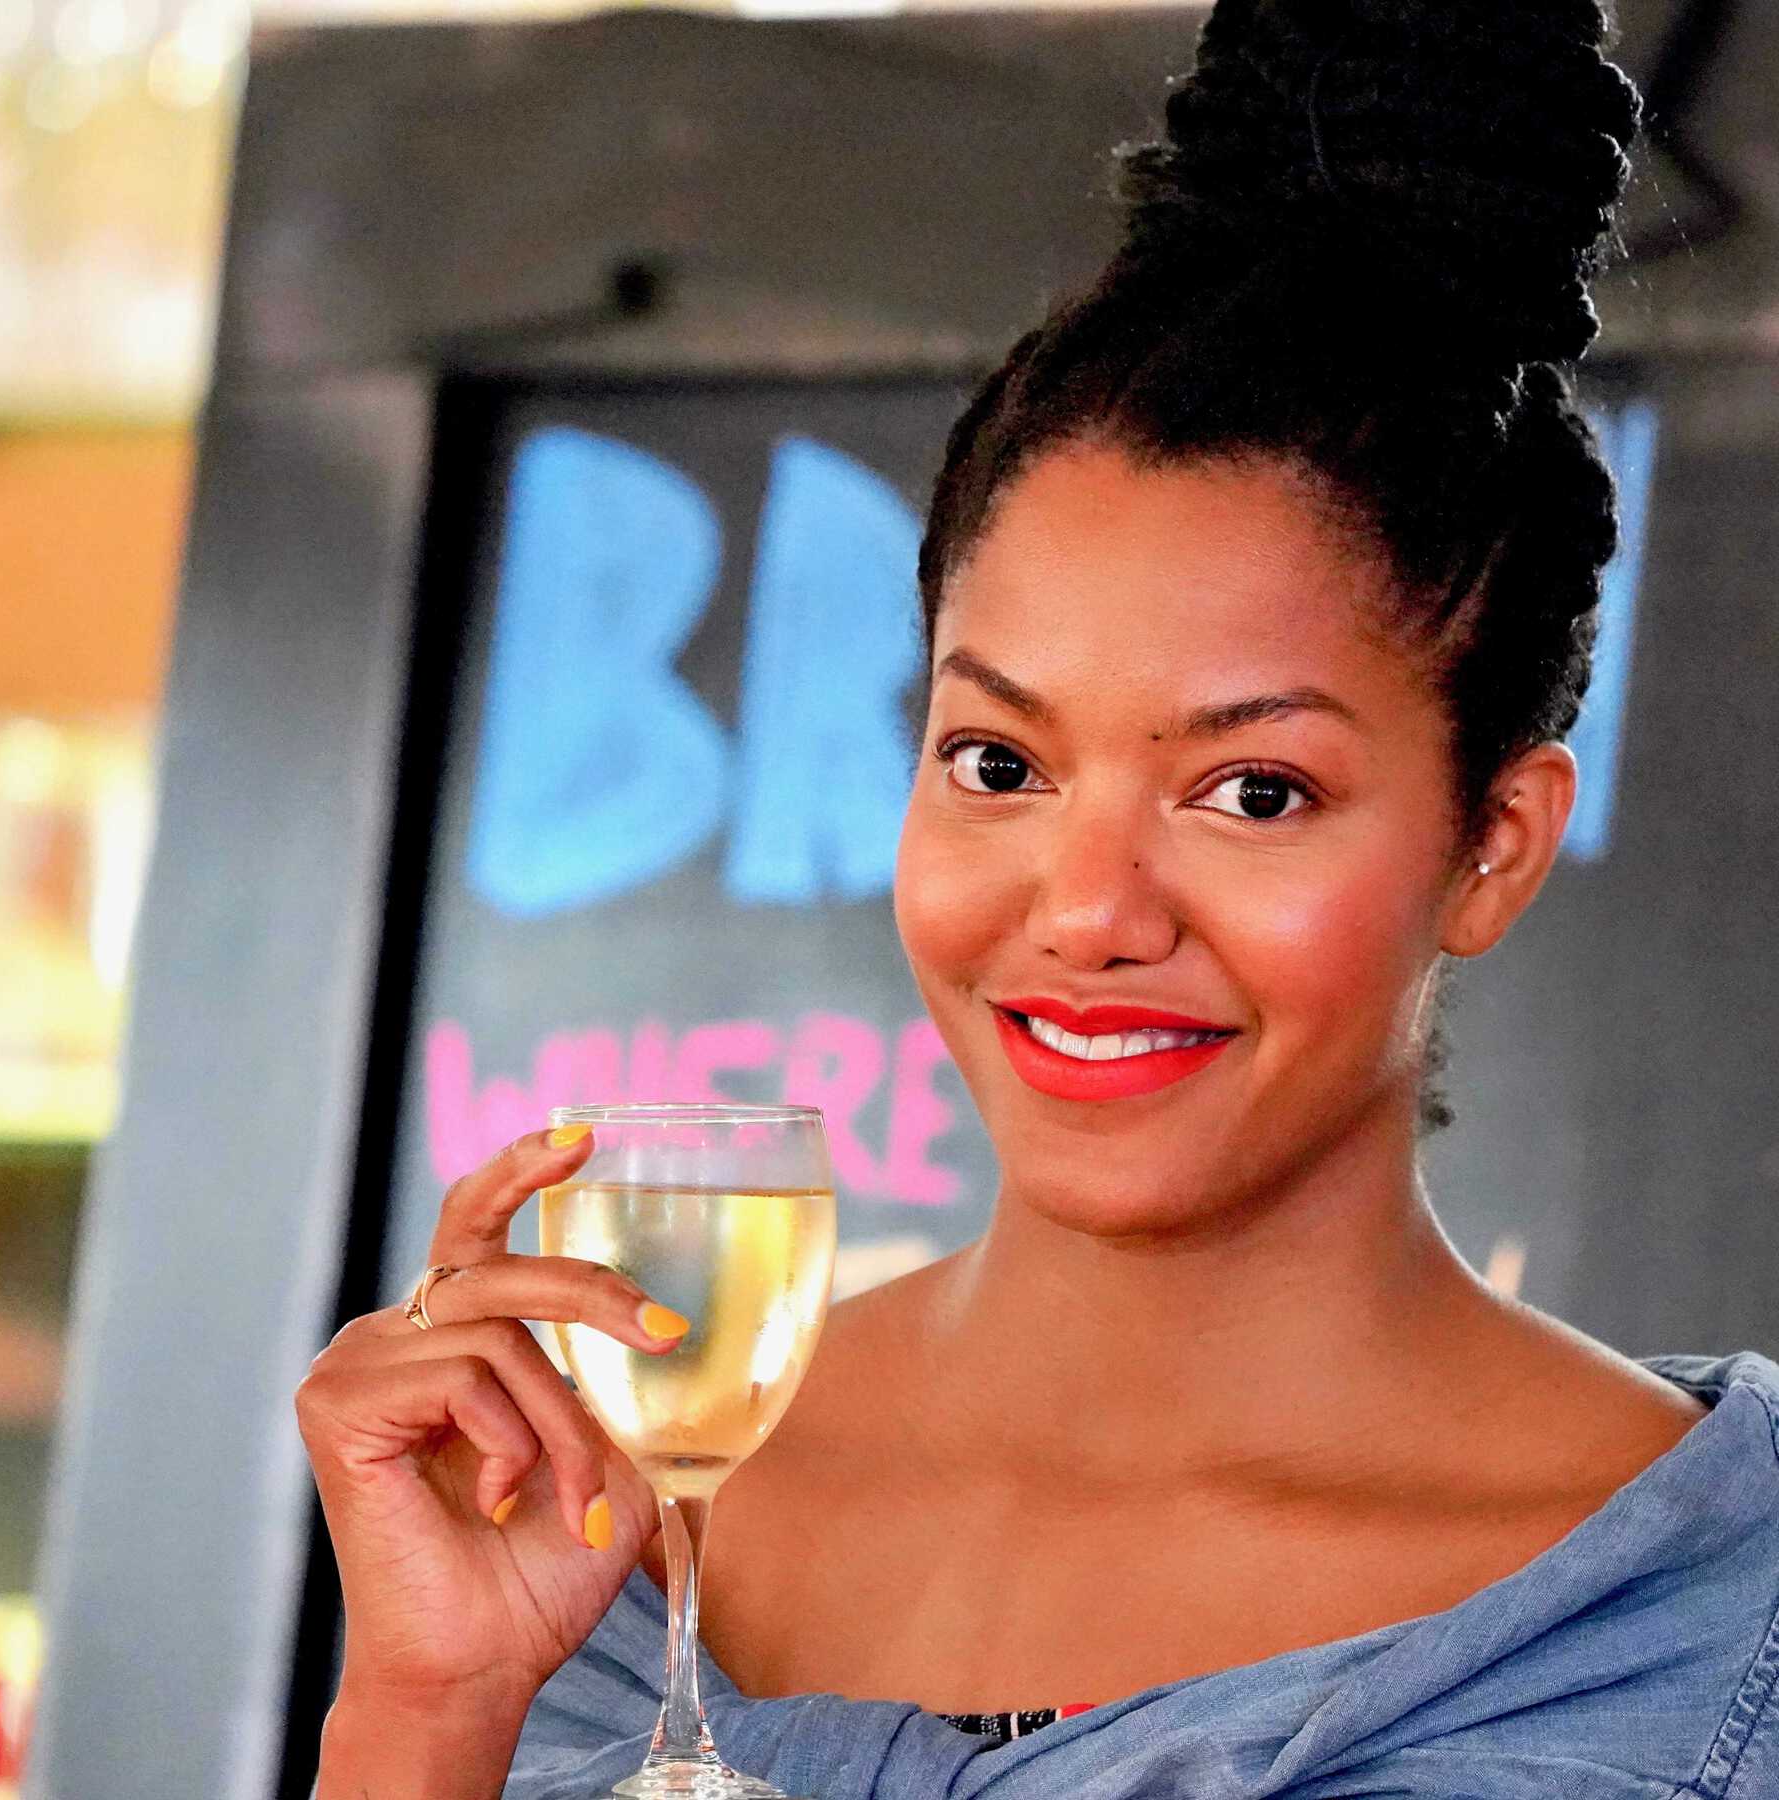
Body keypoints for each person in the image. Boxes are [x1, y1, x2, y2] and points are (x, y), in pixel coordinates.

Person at [296, 2, 1779, 1795]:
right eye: (998, 762)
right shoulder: (609, 1496)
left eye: (1253, 790)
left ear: (1494, 847)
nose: (1085, 910)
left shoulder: (1698, 1620)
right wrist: (427, 1714)